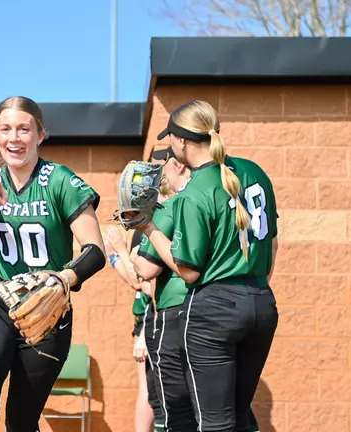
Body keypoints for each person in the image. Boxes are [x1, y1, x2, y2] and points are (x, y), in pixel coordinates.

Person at [0, 96, 106, 432]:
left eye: (24, 129)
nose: (14, 138)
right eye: (6, 129)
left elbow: (94, 251)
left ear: (40, 135)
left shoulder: (60, 181)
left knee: (21, 421)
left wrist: (61, 280)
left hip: (48, 310)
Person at [133, 100, 279, 432]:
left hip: (215, 309)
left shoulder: (194, 191)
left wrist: (148, 227)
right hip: (261, 301)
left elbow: (188, 271)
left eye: (171, 138)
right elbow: (271, 243)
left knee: (214, 423)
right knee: (240, 418)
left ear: (181, 141)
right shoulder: (254, 171)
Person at [131, 146, 198, 432]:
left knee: (174, 405)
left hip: (179, 314)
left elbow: (145, 272)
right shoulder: (212, 196)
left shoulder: (174, 206)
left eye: (161, 166)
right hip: (214, 310)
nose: (155, 174)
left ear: (180, 166)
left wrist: (123, 255)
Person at [104, 225, 165, 432]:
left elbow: (143, 283)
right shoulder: (142, 229)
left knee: (157, 391)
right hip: (147, 318)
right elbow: (137, 281)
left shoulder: (157, 227)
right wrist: (113, 256)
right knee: (148, 390)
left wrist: (120, 251)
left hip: (156, 320)